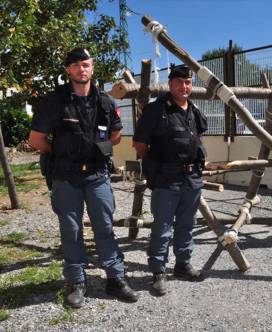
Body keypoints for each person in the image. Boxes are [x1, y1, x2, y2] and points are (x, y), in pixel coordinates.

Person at [28, 48, 138, 308]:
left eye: (85, 64)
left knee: (105, 227)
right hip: (66, 176)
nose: (81, 69)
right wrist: (62, 153)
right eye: (76, 65)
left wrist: (96, 149)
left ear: (92, 67)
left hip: (98, 175)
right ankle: (76, 282)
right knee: (72, 230)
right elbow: (36, 140)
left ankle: (116, 278)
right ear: (68, 69)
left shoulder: (105, 101)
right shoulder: (55, 101)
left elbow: (116, 135)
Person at [133, 64, 207, 295]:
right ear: (170, 84)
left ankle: (183, 265)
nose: (184, 86)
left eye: (188, 82)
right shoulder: (157, 110)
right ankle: (158, 271)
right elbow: (140, 145)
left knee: (187, 224)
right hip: (167, 178)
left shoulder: (193, 110)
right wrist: (158, 165)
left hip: (191, 178)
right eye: (179, 82)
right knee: (162, 227)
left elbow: (199, 139)